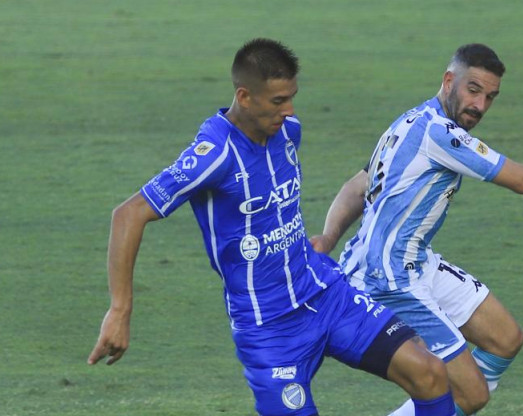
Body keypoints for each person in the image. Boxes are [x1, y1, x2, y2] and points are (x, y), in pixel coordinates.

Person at [87, 38, 458, 416]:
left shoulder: (288, 132)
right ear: (245, 97)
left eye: (292, 97)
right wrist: (120, 309)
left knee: (429, 374)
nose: (290, 110)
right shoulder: (213, 155)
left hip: (324, 294)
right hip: (269, 330)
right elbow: (128, 214)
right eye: (278, 101)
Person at [310, 43, 523, 416]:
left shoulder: (409, 121)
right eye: (473, 91)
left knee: (505, 338)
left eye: (491, 97)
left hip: (415, 261)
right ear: (449, 80)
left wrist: (328, 238)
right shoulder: (439, 134)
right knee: (470, 395)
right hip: (388, 276)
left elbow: (358, 184)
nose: (481, 106)